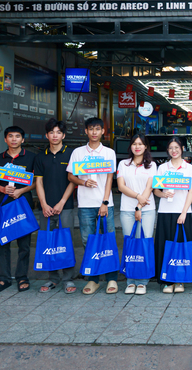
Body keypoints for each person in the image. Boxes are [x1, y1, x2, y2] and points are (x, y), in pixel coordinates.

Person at [67, 117, 117, 295]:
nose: (94, 132)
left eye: (97, 129)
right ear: (86, 131)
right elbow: (70, 176)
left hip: (105, 204)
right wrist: (83, 182)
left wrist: (105, 202)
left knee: (108, 240)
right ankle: (93, 279)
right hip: (85, 205)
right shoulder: (78, 152)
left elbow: (110, 179)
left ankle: (111, 278)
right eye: (91, 129)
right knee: (88, 241)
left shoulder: (109, 153)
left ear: (103, 131)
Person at [0, 126, 37, 293]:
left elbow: (37, 181)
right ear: (5, 139)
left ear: (23, 139)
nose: (14, 139)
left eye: (17, 136)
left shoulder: (31, 157)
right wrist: (2, 189)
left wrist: (21, 191)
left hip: (22, 203)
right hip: (2, 204)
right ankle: (4, 278)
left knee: (24, 243)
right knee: (0, 242)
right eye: (10, 136)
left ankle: (22, 276)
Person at [33, 119, 77, 294]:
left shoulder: (71, 154)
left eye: (58, 132)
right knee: (48, 241)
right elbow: (38, 182)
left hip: (65, 206)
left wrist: (62, 202)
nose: (55, 135)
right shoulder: (40, 156)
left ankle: (68, 278)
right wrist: (43, 204)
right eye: (51, 132)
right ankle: (53, 278)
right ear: (47, 135)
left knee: (66, 241)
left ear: (63, 135)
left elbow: (72, 181)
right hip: (46, 207)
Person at [154, 137, 192, 294]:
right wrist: (163, 194)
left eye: (177, 147)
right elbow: (156, 190)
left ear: (182, 148)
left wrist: (184, 212)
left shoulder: (188, 168)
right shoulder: (162, 168)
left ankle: (180, 279)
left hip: (183, 212)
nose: (174, 151)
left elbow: (191, 191)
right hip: (165, 211)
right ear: (168, 150)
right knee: (165, 246)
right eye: (171, 148)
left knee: (181, 246)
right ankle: (168, 280)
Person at [117, 133, 157, 295]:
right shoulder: (123, 164)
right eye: (134, 144)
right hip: (127, 210)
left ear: (145, 146)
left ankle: (142, 281)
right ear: (130, 146)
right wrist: (138, 197)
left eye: (140, 144)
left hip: (147, 210)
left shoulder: (152, 165)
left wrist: (139, 206)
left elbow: (150, 187)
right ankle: (131, 279)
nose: (137, 147)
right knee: (131, 244)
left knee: (144, 243)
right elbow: (121, 186)